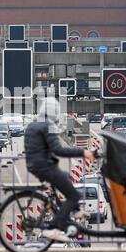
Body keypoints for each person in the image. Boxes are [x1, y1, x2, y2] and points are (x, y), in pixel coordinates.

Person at [24, 97, 96, 242]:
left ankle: (75, 211)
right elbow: (58, 150)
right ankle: (53, 229)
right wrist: (83, 152)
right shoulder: (48, 125)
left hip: (35, 166)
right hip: (45, 166)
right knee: (74, 196)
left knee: (67, 176)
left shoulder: (33, 124)